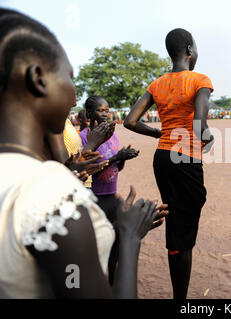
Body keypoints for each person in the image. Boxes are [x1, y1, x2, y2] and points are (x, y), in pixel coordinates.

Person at [0, 8, 168, 298]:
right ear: (38, 79)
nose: (74, 93)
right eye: (69, 76)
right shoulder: (55, 203)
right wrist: (129, 237)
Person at [124, 28, 214, 300]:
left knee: (176, 221)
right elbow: (199, 122)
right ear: (189, 50)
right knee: (184, 229)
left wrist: (158, 133)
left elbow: (130, 120)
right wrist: (207, 138)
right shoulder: (200, 80)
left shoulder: (157, 84)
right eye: (196, 48)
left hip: (163, 157)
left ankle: (178, 274)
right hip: (185, 159)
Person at [80, 96, 140, 285]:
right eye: (101, 110)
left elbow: (117, 169)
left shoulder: (112, 135)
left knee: (116, 249)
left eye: (107, 110)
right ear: (89, 114)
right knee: (95, 248)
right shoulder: (84, 138)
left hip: (111, 196)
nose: (106, 114)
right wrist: (116, 157)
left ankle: (112, 286)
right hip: (94, 198)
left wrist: (123, 157)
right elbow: (88, 172)